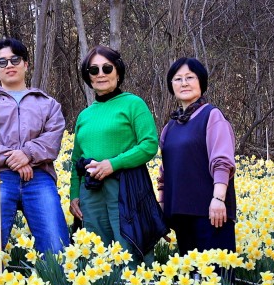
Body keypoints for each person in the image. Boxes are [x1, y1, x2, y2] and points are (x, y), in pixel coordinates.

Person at [0, 37, 70, 268]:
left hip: (39, 177)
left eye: (15, 60)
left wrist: (27, 154)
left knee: (56, 242)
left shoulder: (48, 104)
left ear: (26, 64)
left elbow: (52, 139)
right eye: (2, 62)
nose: (9, 65)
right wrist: (17, 159)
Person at [70, 45, 164, 263]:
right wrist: (74, 195)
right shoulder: (85, 115)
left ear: (118, 72)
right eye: (94, 70)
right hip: (91, 191)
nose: (100, 74)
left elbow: (149, 144)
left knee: (129, 246)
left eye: (107, 68)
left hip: (125, 187)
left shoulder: (133, 104)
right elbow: (76, 160)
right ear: (88, 77)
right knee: (95, 253)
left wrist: (113, 164)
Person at [157, 57, 237, 255]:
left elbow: (222, 161)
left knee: (215, 272)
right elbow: (165, 172)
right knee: (191, 272)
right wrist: (162, 209)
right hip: (180, 214)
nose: (184, 83)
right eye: (178, 79)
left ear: (201, 81)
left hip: (211, 213)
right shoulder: (170, 127)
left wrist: (218, 199)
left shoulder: (212, 116)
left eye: (190, 77)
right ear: (171, 85)